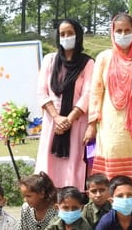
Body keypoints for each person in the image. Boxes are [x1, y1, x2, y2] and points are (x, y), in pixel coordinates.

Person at [83, 12, 132, 210]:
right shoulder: (104, 58)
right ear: (112, 32)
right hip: (111, 128)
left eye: (127, 30)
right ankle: (113, 219)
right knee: (111, 177)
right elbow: (96, 92)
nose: (123, 35)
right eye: (119, 31)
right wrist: (91, 125)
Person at [35, 19, 94, 191]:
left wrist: (68, 120)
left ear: (78, 36)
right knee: (48, 168)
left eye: (70, 33)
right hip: (52, 124)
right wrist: (57, 118)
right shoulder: (50, 60)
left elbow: (88, 93)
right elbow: (42, 91)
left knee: (73, 167)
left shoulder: (87, 63)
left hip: (76, 123)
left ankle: (72, 200)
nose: (66, 37)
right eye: (62, 34)